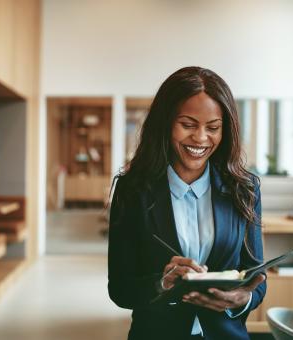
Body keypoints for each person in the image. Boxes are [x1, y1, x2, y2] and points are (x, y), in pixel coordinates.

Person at [108, 66, 266, 340]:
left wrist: (243, 299)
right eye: (188, 125)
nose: (201, 138)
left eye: (213, 127)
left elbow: (257, 277)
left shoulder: (244, 188)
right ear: (166, 123)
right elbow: (120, 289)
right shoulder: (132, 190)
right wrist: (162, 283)